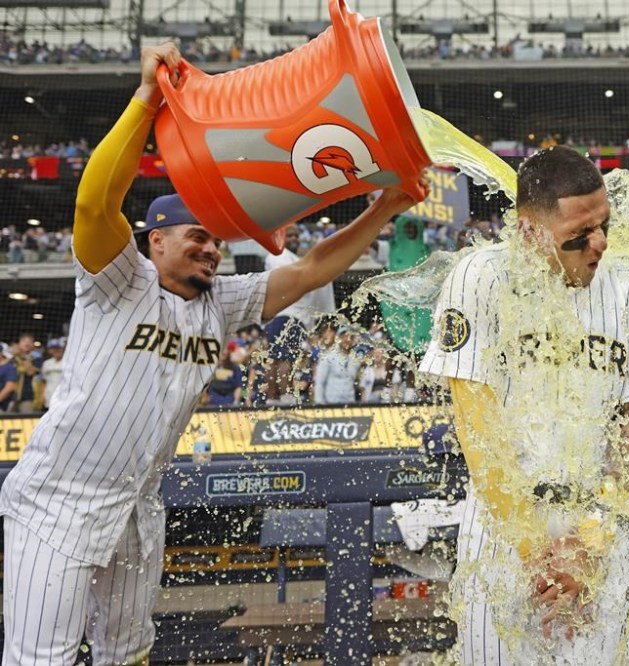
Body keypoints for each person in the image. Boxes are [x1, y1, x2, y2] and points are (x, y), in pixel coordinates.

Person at [0, 43, 425, 665]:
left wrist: (386, 208)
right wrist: (146, 99)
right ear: (156, 240)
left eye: (215, 240)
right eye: (196, 236)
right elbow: (94, 204)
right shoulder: (118, 279)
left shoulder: (219, 301)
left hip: (138, 507)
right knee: (43, 658)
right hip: (58, 503)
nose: (210, 249)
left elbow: (308, 271)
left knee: (128, 653)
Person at [419, 146, 629, 664]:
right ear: (527, 232)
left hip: (597, 525)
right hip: (501, 526)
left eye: (604, 225)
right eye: (578, 238)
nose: (599, 244)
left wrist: (589, 546)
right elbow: (478, 432)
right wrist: (534, 554)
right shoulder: (479, 277)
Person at [262, 224, 336, 404]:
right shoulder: (278, 256)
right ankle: (286, 399)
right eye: (291, 235)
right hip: (289, 316)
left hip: (278, 317)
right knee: (285, 358)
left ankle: (273, 400)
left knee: (276, 359)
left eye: (296, 236)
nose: (294, 238)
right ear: (282, 238)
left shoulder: (297, 261)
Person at [39, 337, 67, 410]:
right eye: (53, 348)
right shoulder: (46, 363)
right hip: (49, 396)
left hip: (64, 397)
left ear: (63, 349)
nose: (55, 350)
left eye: (58, 348)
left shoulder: (68, 362)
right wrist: (42, 395)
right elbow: (43, 381)